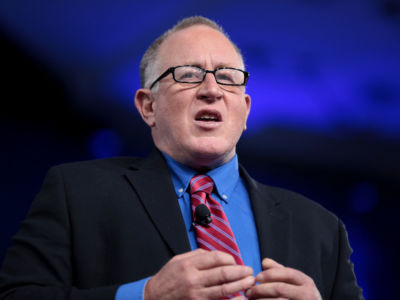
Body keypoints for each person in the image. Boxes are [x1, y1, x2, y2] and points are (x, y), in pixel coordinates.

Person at [0, 16, 363, 300]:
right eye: (188, 75)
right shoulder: (76, 193)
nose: (211, 90)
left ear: (245, 109)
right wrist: (147, 295)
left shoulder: (321, 228)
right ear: (148, 107)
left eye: (228, 77)